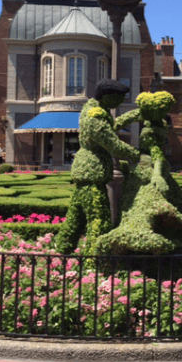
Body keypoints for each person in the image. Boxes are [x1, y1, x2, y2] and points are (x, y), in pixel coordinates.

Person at [54, 79, 140, 255]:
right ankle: (95, 261)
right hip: (92, 171)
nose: (121, 102)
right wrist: (137, 155)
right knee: (99, 219)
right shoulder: (95, 114)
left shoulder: (98, 110)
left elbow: (111, 126)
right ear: (107, 96)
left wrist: (134, 115)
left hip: (88, 173)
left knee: (76, 218)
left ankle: (62, 251)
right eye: (119, 98)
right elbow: (111, 142)